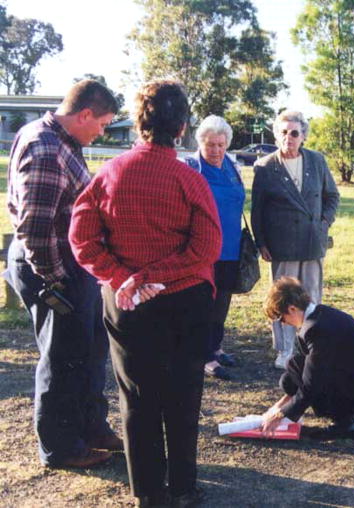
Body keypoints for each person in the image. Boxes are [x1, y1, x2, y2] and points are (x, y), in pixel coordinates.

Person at [69, 80, 221, 507]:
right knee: (184, 393)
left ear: (138, 123)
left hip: (129, 302)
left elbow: (81, 238)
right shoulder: (189, 181)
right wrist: (157, 274)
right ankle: (184, 486)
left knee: (137, 397)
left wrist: (125, 277)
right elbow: (206, 247)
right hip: (185, 300)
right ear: (182, 127)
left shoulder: (109, 174)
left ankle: (150, 494)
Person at [6, 79, 121, 469]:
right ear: (84, 114)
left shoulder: (64, 142)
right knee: (62, 357)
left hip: (73, 264)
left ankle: (91, 426)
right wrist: (56, 280)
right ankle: (61, 446)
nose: (103, 131)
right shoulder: (46, 147)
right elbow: (35, 226)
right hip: (52, 265)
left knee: (90, 348)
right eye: (103, 123)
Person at [251, 110, 339, 369]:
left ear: (303, 136)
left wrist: (323, 223)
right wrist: (261, 243)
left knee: (310, 295)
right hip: (282, 245)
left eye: (294, 133)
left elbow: (332, 197)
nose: (288, 137)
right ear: (276, 134)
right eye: (283, 132)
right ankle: (284, 349)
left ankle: (311, 344)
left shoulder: (316, 161)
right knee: (283, 298)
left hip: (312, 242)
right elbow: (258, 210)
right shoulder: (265, 166)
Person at [261, 276, 354, 440]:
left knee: (308, 376)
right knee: (292, 372)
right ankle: (346, 416)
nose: (283, 324)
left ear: (292, 309)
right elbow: (306, 370)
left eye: (281, 318)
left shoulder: (317, 330)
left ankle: (344, 422)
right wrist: (278, 407)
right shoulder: (319, 315)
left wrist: (281, 414)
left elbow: (311, 384)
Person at [183, 115, 245, 381]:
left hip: (231, 247)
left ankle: (216, 348)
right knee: (203, 304)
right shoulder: (189, 167)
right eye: (211, 145)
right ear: (201, 143)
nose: (216, 150)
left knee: (223, 302)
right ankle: (203, 356)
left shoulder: (233, 168)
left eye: (221, 144)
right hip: (202, 250)